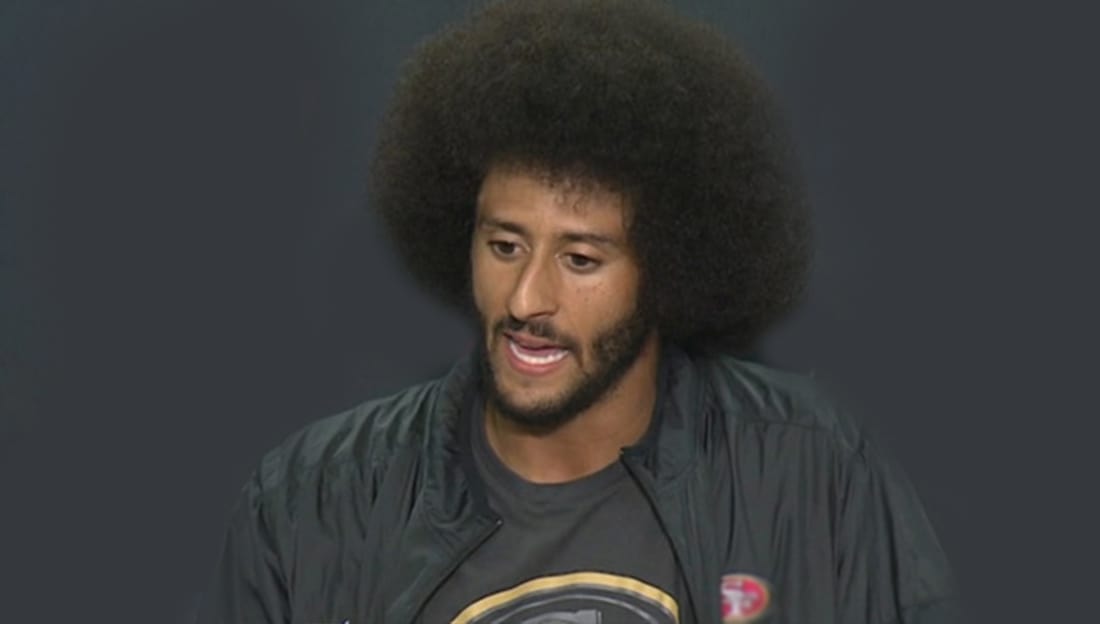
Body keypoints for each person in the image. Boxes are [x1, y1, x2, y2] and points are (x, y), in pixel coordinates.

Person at [197, 1, 961, 622]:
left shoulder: (814, 474)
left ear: (667, 268)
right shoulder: (314, 502)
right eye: (504, 246)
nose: (526, 299)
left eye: (581, 259)